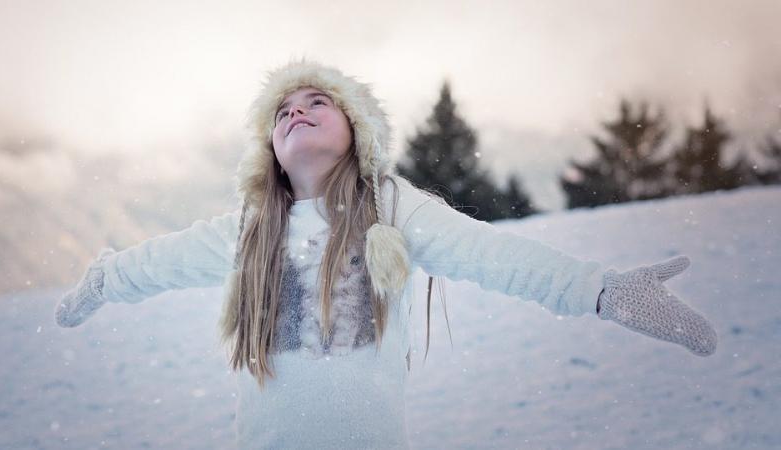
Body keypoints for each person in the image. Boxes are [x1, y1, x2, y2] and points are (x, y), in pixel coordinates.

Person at [55, 59, 717, 449]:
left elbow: (491, 254)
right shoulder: (249, 231)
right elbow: (158, 262)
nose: (297, 111)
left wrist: (601, 289)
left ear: (357, 133)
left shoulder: (392, 207)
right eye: (282, 110)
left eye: (318, 101)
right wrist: (105, 276)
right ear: (269, 148)